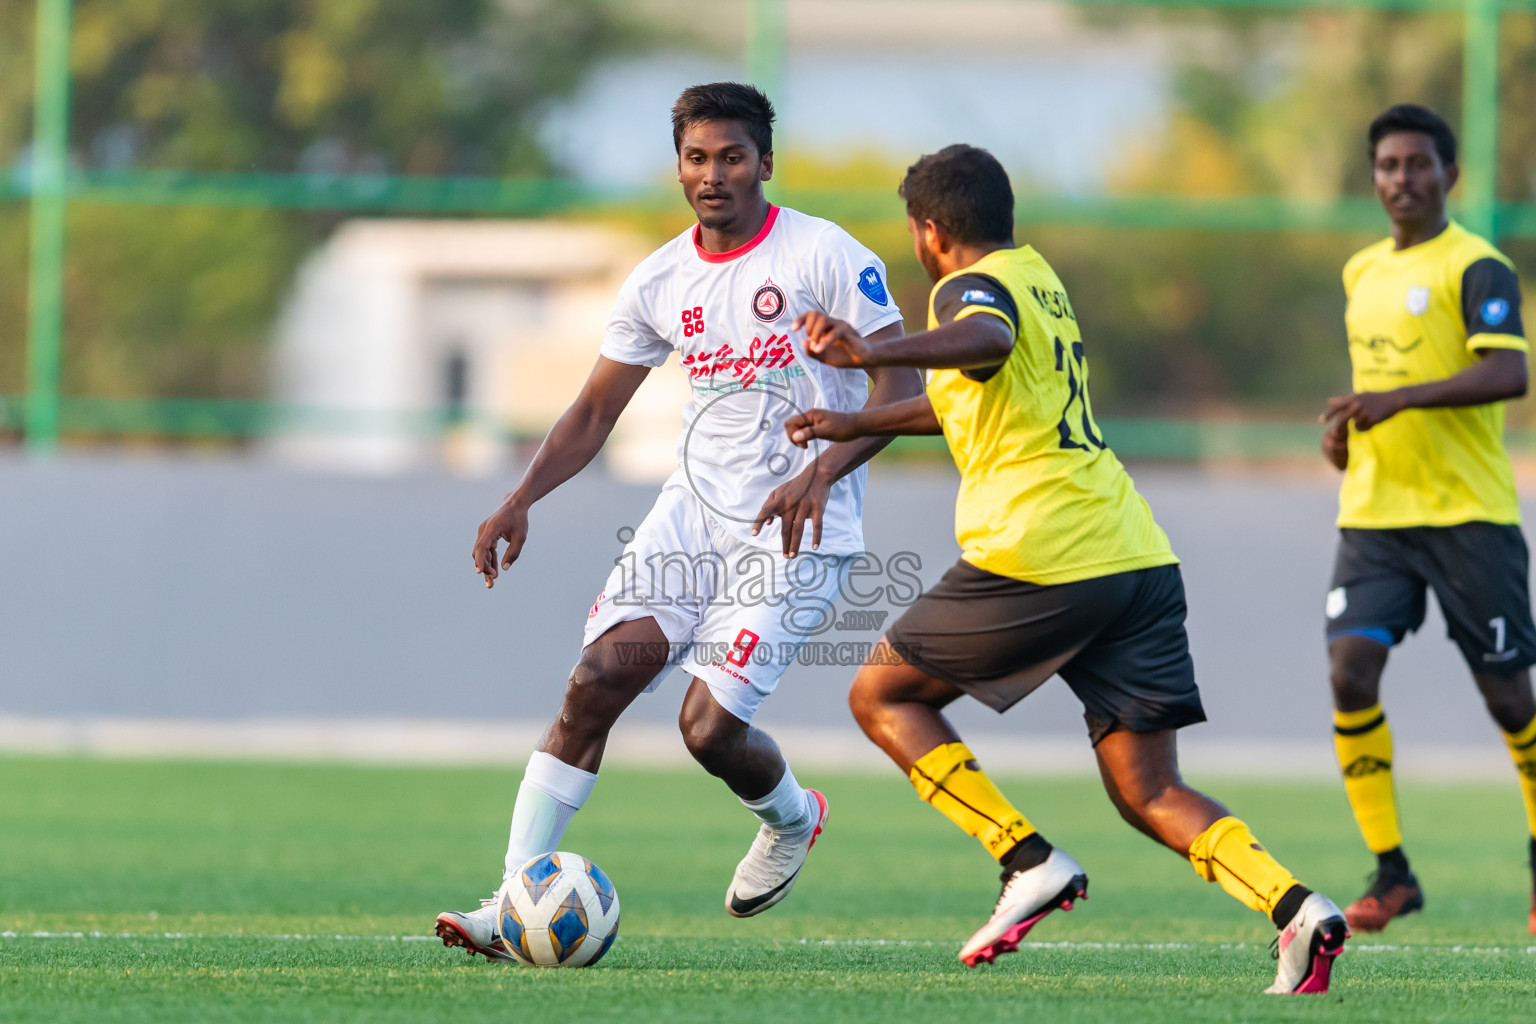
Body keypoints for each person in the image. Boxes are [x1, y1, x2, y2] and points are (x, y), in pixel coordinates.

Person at [783, 144, 1348, 994]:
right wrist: (851, 425)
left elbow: (984, 335)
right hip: (1133, 557)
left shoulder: (968, 290)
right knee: (1149, 789)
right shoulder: (1038, 275)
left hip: (1042, 554)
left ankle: (1027, 859)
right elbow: (971, 391)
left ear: (929, 231)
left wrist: (866, 357)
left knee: (880, 694)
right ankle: (1299, 911)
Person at [435, 82, 920, 961]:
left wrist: (821, 471)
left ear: (764, 163)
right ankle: (510, 903)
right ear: (680, 167)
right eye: (697, 158)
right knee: (593, 685)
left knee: (707, 730)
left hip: (797, 536)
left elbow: (904, 392)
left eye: (732, 157)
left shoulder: (824, 256)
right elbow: (591, 413)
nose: (713, 175)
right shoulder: (661, 278)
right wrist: (519, 499)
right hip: (690, 525)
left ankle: (791, 816)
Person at [1318, 103, 1536, 935]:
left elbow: (1508, 375)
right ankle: (1393, 871)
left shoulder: (1478, 268)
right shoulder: (1360, 271)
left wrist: (1395, 401)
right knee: (1348, 675)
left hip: (1469, 519)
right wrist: (1349, 435)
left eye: (1417, 164)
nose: (1400, 179)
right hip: (1375, 519)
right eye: (1387, 166)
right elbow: (1371, 390)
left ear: (1451, 175)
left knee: (1510, 700)